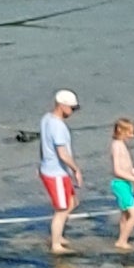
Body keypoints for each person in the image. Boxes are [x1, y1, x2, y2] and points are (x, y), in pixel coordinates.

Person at [37, 92, 82, 257]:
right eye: (72, 108)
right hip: (55, 173)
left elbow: (43, 146)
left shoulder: (46, 118)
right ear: (61, 105)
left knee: (72, 202)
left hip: (55, 170)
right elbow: (62, 154)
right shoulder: (58, 127)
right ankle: (56, 244)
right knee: (61, 209)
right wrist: (76, 169)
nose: (73, 112)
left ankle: (58, 235)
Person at [109, 115, 134, 253]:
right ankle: (121, 241)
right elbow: (117, 170)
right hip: (120, 184)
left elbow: (129, 167)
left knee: (125, 215)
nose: (132, 135)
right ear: (120, 130)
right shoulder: (116, 146)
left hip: (125, 183)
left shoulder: (122, 146)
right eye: (129, 132)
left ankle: (123, 236)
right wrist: (133, 179)